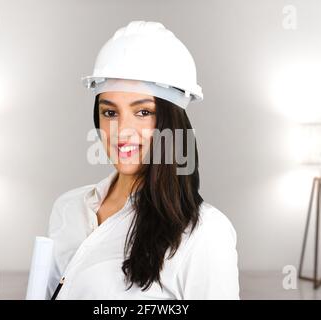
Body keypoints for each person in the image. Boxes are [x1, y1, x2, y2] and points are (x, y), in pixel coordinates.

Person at [47, 21, 239, 299]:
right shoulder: (68, 208)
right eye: (110, 113)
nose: (122, 132)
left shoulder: (205, 233)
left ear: (171, 122)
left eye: (143, 112)